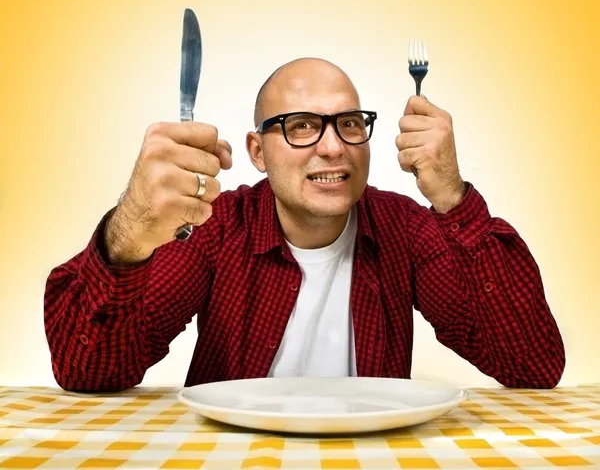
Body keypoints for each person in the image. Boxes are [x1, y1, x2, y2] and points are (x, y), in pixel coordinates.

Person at [43, 57, 565, 393]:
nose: (334, 146)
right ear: (258, 152)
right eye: (302, 126)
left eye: (350, 123)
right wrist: (130, 230)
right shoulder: (217, 228)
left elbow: (532, 366)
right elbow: (87, 370)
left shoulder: (403, 228)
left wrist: (453, 198)